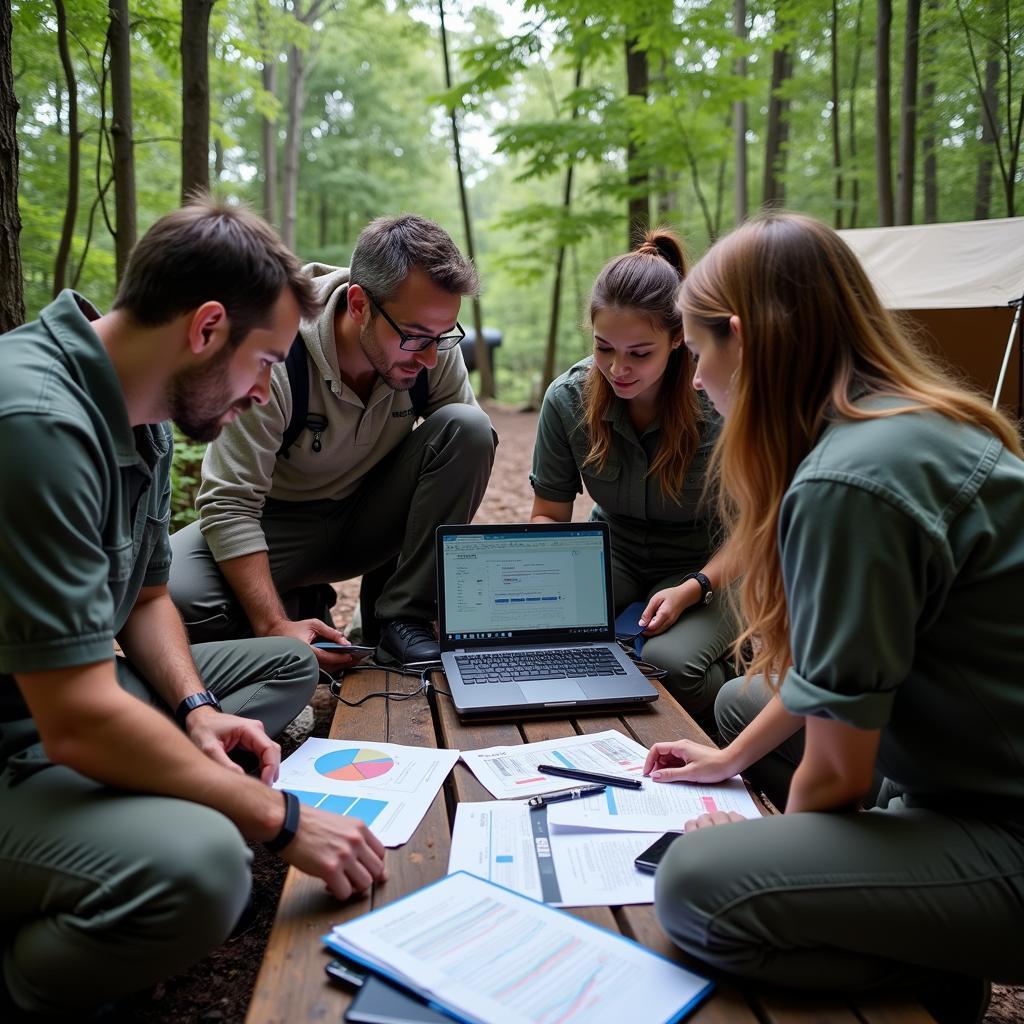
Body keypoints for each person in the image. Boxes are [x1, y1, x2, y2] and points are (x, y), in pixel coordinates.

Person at [0, 200, 387, 1017]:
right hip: (32, 736)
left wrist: (196, 708)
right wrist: (279, 821)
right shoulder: (36, 424)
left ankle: (135, 804)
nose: (266, 390)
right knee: (211, 868)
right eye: (268, 361)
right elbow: (74, 718)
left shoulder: (141, 410)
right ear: (208, 327)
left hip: (68, 706)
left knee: (283, 663)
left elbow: (144, 600)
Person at [647, 212, 1024, 1021]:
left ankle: (926, 971)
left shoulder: (846, 483)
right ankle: (916, 933)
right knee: (744, 705)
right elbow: (841, 677)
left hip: (1002, 829)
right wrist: (726, 763)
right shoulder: (901, 423)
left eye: (694, 351)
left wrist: (795, 871)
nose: (697, 380)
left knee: (693, 886)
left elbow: (839, 779)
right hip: (963, 764)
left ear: (740, 341)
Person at [168, 214, 496, 669]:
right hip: (276, 523)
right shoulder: (276, 350)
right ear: (359, 305)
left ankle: (400, 619)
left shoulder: (433, 347)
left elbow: (461, 452)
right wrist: (272, 625)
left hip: (371, 518)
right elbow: (229, 504)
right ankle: (294, 611)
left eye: (442, 337)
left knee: (471, 427)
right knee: (177, 596)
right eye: (415, 336)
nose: (428, 355)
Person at [529, 230, 736, 725]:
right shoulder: (568, 399)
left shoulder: (720, 400)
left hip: (716, 565)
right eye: (604, 349)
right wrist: (541, 584)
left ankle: (736, 693)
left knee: (667, 665)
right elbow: (548, 514)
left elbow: (759, 527)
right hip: (614, 554)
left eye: (639, 354)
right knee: (544, 639)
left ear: (678, 337)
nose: (617, 369)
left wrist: (693, 588)